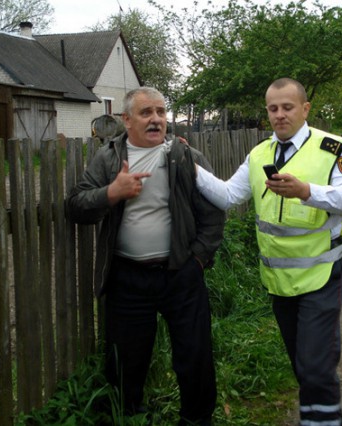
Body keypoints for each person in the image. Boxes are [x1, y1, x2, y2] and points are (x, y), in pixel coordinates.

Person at [195, 78, 342, 425]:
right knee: (303, 364)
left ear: (305, 109)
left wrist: (306, 191)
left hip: (322, 274)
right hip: (279, 279)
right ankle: (318, 417)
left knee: (316, 365)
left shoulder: (334, 148)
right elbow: (228, 196)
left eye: (287, 107)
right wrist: (188, 164)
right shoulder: (258, 155)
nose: (279, 115)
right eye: (273, 108)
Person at [65, 87, 225, 425]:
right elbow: (76, 206)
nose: (156, 120)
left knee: (194, 354)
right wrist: (112, 192)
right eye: (146, 113)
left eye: (161, 112)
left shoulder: (186, 157)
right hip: (127, 276)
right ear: (127, 120)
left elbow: (213, 212)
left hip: (180, 273)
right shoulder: (109, 159)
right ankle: (130, 415)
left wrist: (197, 259)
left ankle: (197, 419)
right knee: (126, 358)